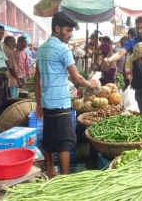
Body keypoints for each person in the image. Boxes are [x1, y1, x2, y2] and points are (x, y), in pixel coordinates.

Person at [34, 12, 98, 178]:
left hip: (47, 102)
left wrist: (38, 103)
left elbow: (37, 78)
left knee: (48, 138)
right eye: (68, 30)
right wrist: (91, 83)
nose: (70, 34)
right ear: (57, 28)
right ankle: (64, 178)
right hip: (61, 103)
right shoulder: (63, 49)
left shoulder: (42, 49)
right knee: (64, 142)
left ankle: (50, 171)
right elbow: (77, 78)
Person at [104, 16, 142, 114]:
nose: (139, 30)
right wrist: (110, 59)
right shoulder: (132, 42)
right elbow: (120, 53)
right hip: (138, 84)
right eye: (138, 28)